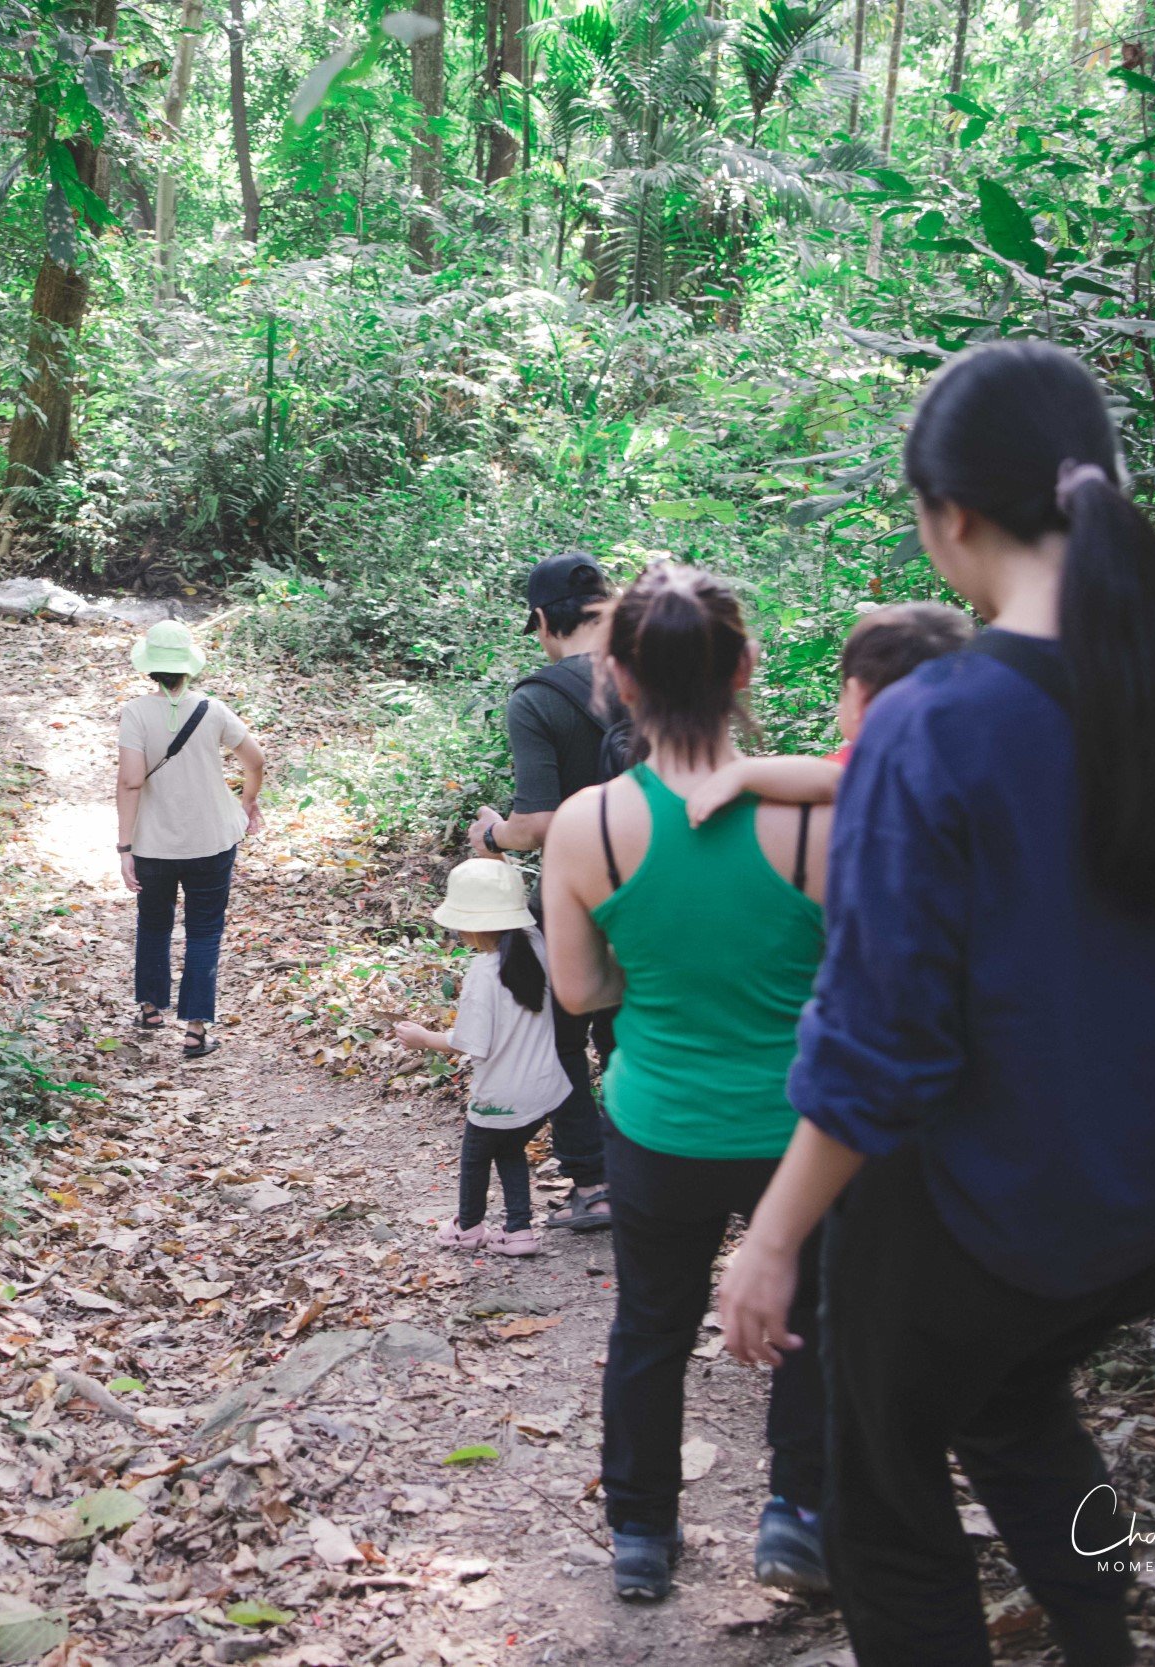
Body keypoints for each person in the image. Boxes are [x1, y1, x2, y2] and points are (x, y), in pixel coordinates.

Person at [714, 340, 1155, 1667]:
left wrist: (773, 1238)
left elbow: (882, 1039)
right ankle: (1097, 1634)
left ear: (950, 515)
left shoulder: (935, 722)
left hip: (990, 1206)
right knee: (1008, 1395)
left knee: (883, 1485)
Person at [539, 564, 835, 1604]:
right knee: (811, 1317)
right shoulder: (818, 818)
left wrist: (656, 966)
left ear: (617, 677)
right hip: (802, 1131)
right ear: (744, 666)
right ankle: (797, 1513)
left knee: (651, 1323)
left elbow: (579, 990)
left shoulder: (587, 825)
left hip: (658, 1121)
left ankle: (640, 1529)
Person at [465, 551, 621, 1234]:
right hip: (659, 884)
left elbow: (537, 823)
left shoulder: (538, 697)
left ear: (541, 619)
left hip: (575, 895)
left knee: (555, 1034)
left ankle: (594, 1181)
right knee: (634, 1032)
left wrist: (493, 833)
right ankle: (647, 1173)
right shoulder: (653, 677)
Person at [393, 859, 573, 1257]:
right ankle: (519, 1231)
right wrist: (495, 856)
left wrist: (424, 1039)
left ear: (473, 926)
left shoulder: (484, 972)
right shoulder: (537, 945)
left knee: (475, 1160)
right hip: (545, 1088)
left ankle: (469, 1227)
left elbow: (471, 1042)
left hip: (499, 1096)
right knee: (510, 1151)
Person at [682, 601, 974, 828]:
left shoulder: (868, 768)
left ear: (858, 697)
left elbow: (832, 779)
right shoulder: (976, 759)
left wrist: (743, 772)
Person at [116, 620, 265, 1059]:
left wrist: (124, 848)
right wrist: (248, 802)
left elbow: (130, 782)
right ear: (188, 667)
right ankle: (196, 1031)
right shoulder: (213, 710)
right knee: (204, 931)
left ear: (150, 668)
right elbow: (256, 760)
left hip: (152, 844)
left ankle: (150, 1011)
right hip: (212, 840)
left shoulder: (135, 712)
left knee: (153, 923)